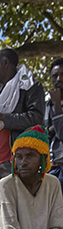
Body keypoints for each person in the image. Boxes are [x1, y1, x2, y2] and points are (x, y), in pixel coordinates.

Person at [0, 49, 45, 179]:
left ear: (5, 63)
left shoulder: (29, 86)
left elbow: (36, 118)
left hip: (16, 162)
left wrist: (1, 116)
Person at [46, 58, 63, 195]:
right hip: (49, 170)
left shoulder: (54, 104)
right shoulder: (46, 105)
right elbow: (41, 134)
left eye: (62, 75)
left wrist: (58, 105)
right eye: (55, 76)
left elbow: (62, 133)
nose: (59, 79)